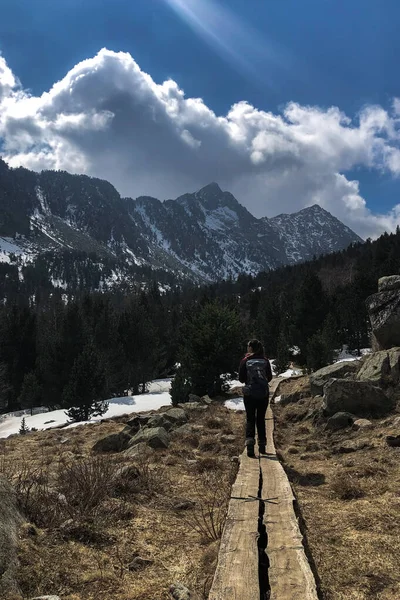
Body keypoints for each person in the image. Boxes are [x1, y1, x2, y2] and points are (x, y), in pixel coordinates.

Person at [238, 339, 273, 457]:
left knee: (250, 419)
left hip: (249, 394)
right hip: (263, 394)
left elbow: (241, 379)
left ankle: (250, 447)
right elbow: (269, 377)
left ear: (251, 348)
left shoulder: (245, 361)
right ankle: (262, 445)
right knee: (261, 418)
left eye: (248, 346)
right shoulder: (265, 360)